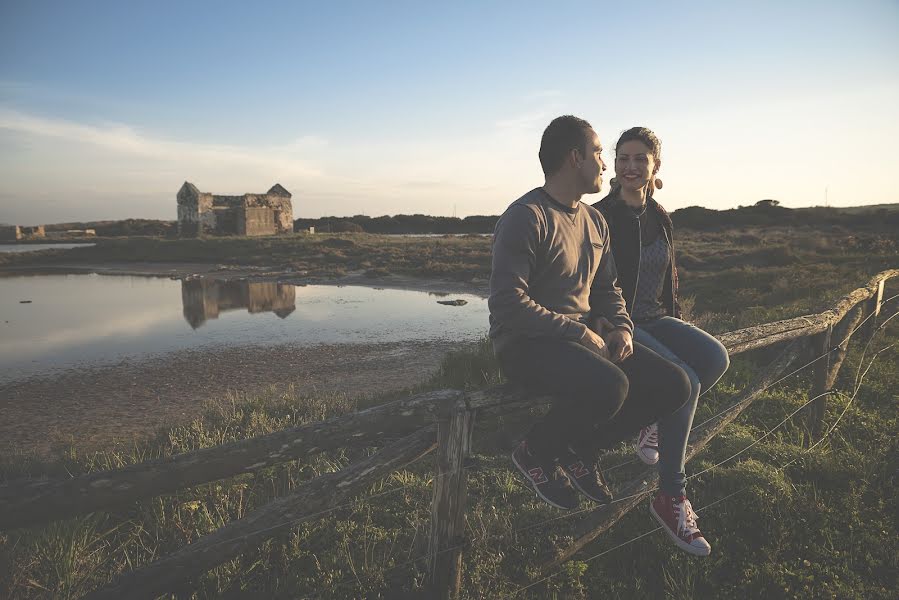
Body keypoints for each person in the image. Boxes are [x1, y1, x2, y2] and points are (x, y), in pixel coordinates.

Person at [488, 115, 692, 512]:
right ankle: (535, 452)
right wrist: (579, 333)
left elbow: (607, 289)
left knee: (674, 385)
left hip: (579, 342)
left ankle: (582, 450)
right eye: (599, 153)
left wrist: (621, 327)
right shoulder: (525, 216)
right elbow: (507, 303)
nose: (605, 164)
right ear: (574, 158)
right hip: (525, 344)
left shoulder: (595, 220)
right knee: (611, 385)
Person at [593, 126, 730, 556]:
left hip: (657, 318)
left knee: (714, 358)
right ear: (614, 165)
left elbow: (666, 277)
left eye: (640, 159)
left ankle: (655, 418)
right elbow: (588, 282)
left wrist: (676, 323)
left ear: (656, 166)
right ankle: (671, 497)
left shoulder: (661, 216)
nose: (630, 167)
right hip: (621, 325)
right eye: (623, 158)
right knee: (684, 379)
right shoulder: (599, 216)